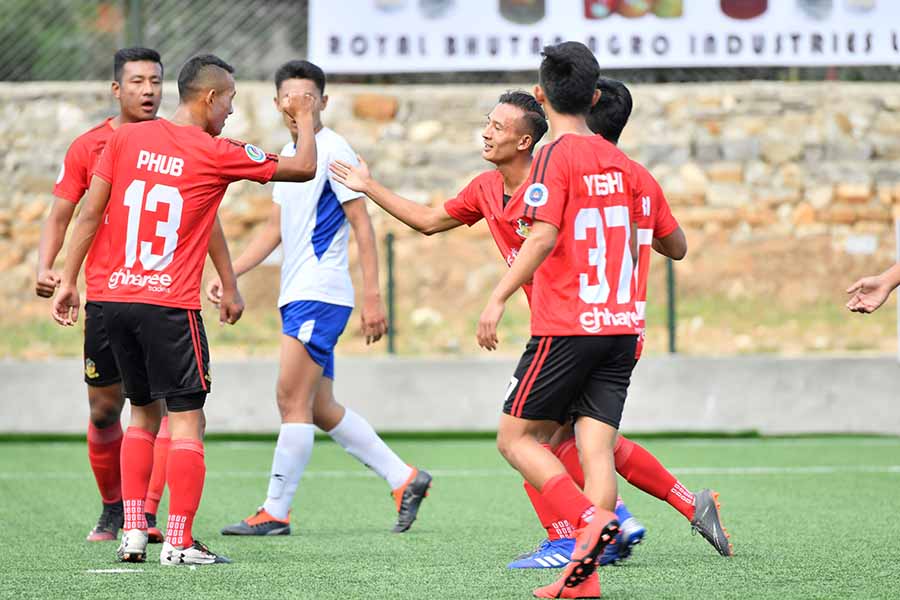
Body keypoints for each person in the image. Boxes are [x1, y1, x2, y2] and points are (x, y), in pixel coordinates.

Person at [331, 81, 731, 575]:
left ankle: (583, 531)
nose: (486, 133)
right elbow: (430, 220)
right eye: (488, 123)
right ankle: (672, 508)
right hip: (595, 329)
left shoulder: (565, 177)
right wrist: (368, 186)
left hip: (574, 330)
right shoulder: (487, 189)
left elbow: (576, 239)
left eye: (497, 126)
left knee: (528, 438)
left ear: (528, 140)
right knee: (578, 440)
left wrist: (497, 297)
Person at [51, 53, 319, 566]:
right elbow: (303, 168)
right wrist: (304, 117)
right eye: (231, 102)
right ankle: (178, 540)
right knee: (188, 421)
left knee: (140, 415)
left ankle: (132, 532)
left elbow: (90, 212)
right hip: (168, 305)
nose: (231, 114)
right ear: (210, 98)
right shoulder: (216, 151)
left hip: (113, 301)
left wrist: (68, 279)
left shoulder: (125, 139)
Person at [215, 60, 431, 538]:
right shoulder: (292, 155)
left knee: (289, 399)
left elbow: (363, 223)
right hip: (301, 296)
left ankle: (275, 511)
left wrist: (373, 297)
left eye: (307, 99)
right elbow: (274, 230)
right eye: (289, 99)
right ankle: (405, 478)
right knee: (318, 406)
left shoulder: (332, 150)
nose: (297, 107)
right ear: (276, 104)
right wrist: (230, 273)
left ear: (323, 103)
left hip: (320, 294)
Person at [473, 41, 641, 598]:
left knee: (517, 439)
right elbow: (675, 243)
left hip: (568, 324)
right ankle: (583, 580)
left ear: (542, 98)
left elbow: (541, 233)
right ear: (594, 96)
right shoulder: (627, 166)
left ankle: (591, 524)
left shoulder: (552, 158)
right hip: (621, 329)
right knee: (595, 455)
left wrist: (497, 297)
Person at [37, 47, 177, 544]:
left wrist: (226, 275)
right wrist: (48, 268)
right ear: (116, 90)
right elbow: (62, 213)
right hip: (105, 298)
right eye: (137, 82)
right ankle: (113, 509)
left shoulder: (179, 142)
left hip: (162, 295)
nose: (148, 91)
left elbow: (210, 215)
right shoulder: (88, 146)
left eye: (156, 81)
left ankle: (149, 513)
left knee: (158, 404)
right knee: (103, 408)